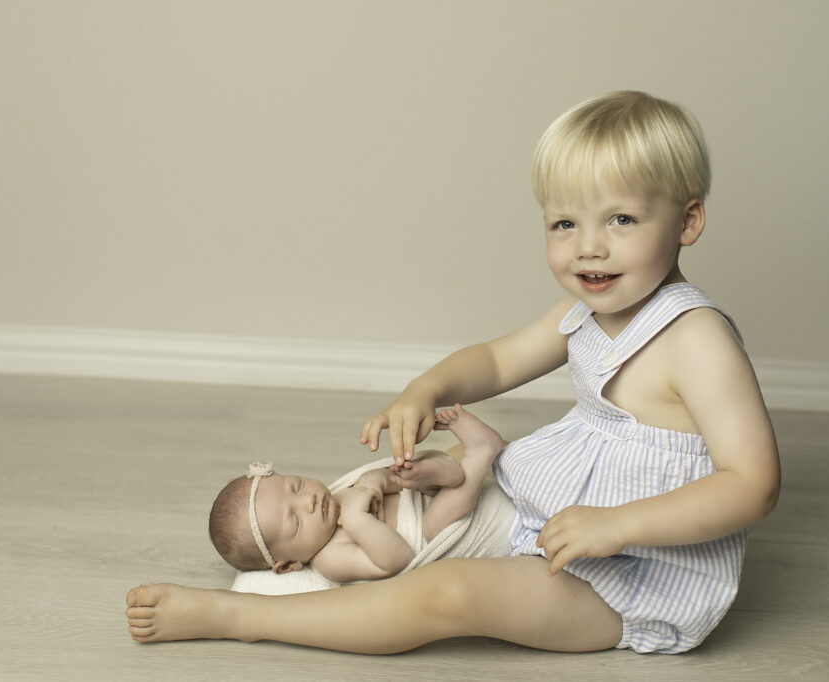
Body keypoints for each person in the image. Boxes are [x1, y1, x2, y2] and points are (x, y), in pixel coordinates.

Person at [125, 90, 780, 655]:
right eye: (564, 222)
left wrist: (617, 526)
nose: (589, 246)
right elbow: (495, 360)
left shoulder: (697, 340)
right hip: (552, 518)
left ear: (688, 220)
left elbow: (752, 485)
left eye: (621, 219)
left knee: (449, 595)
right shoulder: (585, 310)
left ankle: (242, 616)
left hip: (634, 576)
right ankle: (322, 557)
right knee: (421, 482)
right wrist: (427, 389)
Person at [208, 404, 505, 583]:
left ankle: (444, 472)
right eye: (296, 521)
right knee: (436, 520)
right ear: (289, 564)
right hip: (426, 535)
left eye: (296, 486)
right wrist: (355, 518)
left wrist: (376, 480)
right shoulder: (330, 560)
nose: (308, 502)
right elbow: (397, 559)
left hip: (419, 495)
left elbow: (388, 483)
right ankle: (480, 452)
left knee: (412, 470)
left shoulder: (337, 494)